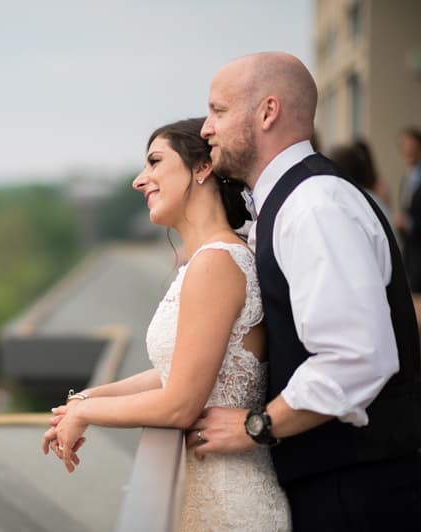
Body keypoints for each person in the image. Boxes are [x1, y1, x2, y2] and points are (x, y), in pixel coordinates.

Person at [191, 52, 421, 531]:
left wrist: (258, 425)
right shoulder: (293, 202)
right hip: (341, 482)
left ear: (268, 112)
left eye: (218, 110)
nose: (206, 129)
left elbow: (356, 355)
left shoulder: (314, 205)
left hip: (357, 492)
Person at [41, 118, 290, 531]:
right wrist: (82, 400)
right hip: (207, 494)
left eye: (155, 162)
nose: (141, 181)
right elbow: (174, 372)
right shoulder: (209, 261)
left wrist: (90, 414)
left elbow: (180, 403)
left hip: (229, 506)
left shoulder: (217, 263)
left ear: (201, 168)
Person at [395, 127, 421, 291]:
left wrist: (409, 224)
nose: (407, 151)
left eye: (411, 146)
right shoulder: (408, 176)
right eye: (403, 147)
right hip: (411, 249)